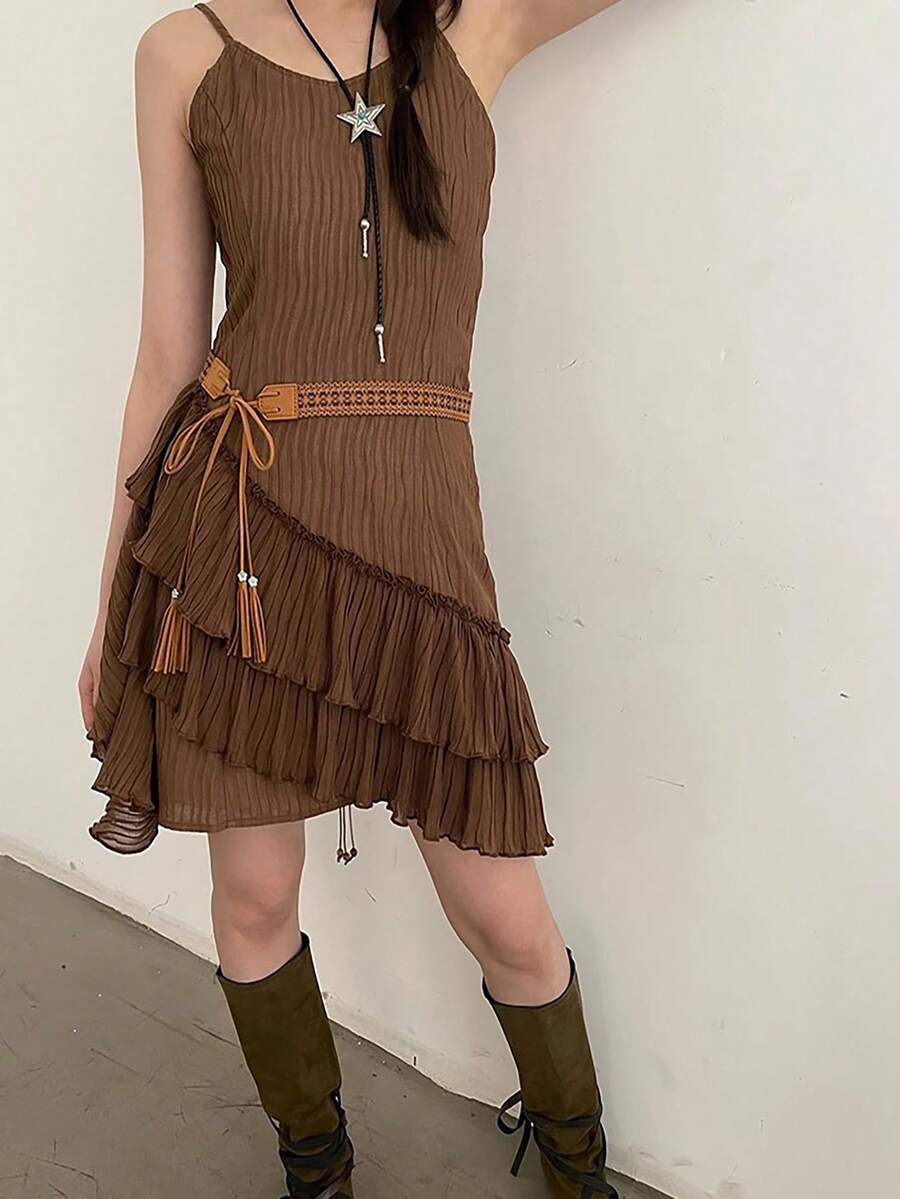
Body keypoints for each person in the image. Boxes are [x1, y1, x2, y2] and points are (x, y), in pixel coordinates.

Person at [78, 2, 624, 1195]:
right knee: (254, 892)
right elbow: (167, 357)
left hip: (423, 552)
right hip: (244, 541)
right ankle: (316, 1169)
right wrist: (116, 593)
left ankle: (582, 1170)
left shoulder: (471, 32)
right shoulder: (186, 52)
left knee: (506, 916)